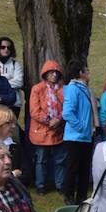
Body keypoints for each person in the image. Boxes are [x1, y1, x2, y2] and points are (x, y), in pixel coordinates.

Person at [61, 65, 97, 205]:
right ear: (80, 73)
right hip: (75, 137)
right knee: (73, 167)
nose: (89, 73)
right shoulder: (73, 89)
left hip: (85, 136)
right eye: (86, 70)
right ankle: (68, 194)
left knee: (84, 168)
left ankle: (81, 197)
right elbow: (67, 112)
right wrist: (82, 127)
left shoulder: (85, 89)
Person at [29, 60, 65, 193]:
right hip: (41, 130)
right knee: (41, 160)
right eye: (51, 72)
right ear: (45, 74)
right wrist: (49, 121)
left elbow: (67, 106)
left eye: (56, 72)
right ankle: (41, 186)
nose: (54, 75)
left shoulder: (63, 89)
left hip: (58, 129)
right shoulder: (37, 89)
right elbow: (34, 110)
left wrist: (59, 119)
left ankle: (60, 185)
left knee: (60, 160)